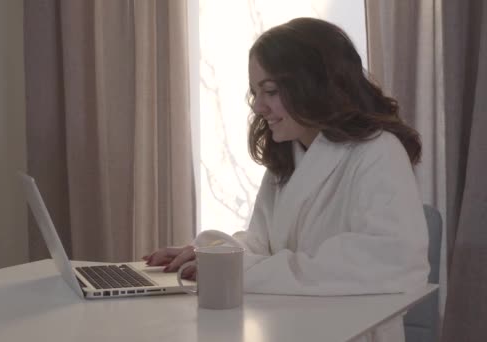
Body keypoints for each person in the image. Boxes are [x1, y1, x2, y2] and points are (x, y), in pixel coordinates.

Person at [143, 17, 429, 342]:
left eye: (271, 91)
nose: (258, 106)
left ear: (314, 84)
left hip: (350, 331)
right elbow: (262, 244)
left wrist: (242, 269)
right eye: (255, 92)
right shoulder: (287, 158)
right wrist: (211, 254)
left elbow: (391, 262)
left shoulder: (377, 152)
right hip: (286, 324)